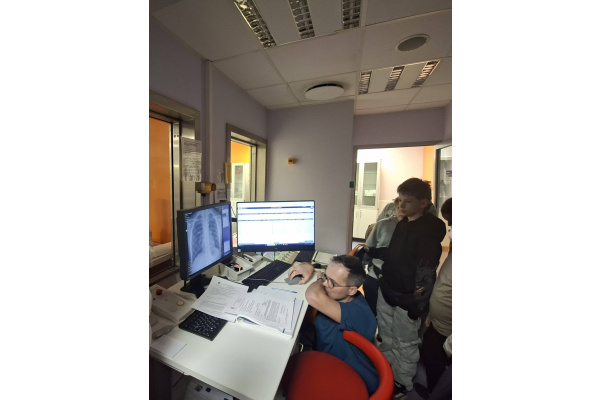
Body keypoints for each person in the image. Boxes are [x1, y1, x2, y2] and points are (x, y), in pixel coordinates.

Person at [364, 178, 446, 397]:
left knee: (405, 342)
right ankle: (386, 370)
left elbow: (425, 272)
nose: (400, 205)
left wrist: (417, 304)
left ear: (423, 203)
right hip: (388, 290)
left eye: (407, 201)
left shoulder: (428, 232)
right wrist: (373, 252)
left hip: (408, 298)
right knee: (387, 335)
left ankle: (402, 382)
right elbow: (394, 254)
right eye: (399, 200)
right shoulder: (404, 223)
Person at [288, 255, 379, 395]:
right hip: (329, 361)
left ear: (352, 290)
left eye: (332, 283)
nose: (325, 284)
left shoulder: (359, 314)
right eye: (326, 277)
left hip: (351, 378)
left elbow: (313, 296)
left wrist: (319, 279)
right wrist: (309, 266)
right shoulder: (339, 297)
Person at [420, 197, 452, 397]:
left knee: (434, 357)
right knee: (432, 357)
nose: (450, 230)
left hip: (448, 328)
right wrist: (433, 312)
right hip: (440, 320)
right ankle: (434, 391)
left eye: (452, 222)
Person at [363, 196, 402, 316]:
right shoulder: (383, 224)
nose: (402, 210)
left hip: (399, 280)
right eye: (399, 207)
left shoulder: (416, 229)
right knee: (371, 310)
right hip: (376, 274)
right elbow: (368, 248)